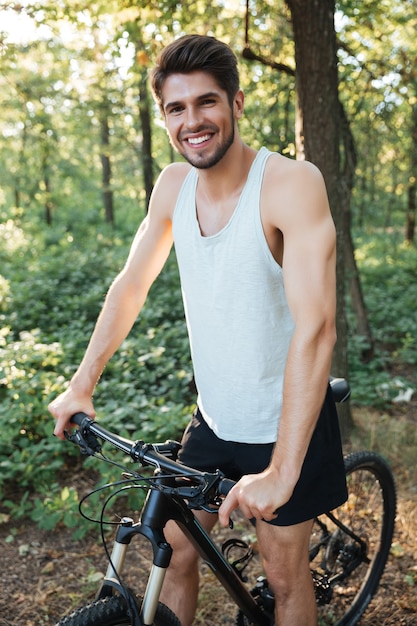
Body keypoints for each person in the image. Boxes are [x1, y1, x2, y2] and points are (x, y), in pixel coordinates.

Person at [49, 34, 347, 626]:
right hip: (215, 419)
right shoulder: (172, 187)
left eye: (206, 103)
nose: (194, 121)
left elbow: (316, 330)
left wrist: (282, 471)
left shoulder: (290, 184)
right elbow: (131, 285)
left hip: (287, 426)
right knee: (177, 548)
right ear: (164, 117)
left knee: (285, 580)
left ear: (236, 104)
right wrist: (83, 383)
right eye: (176, 108)